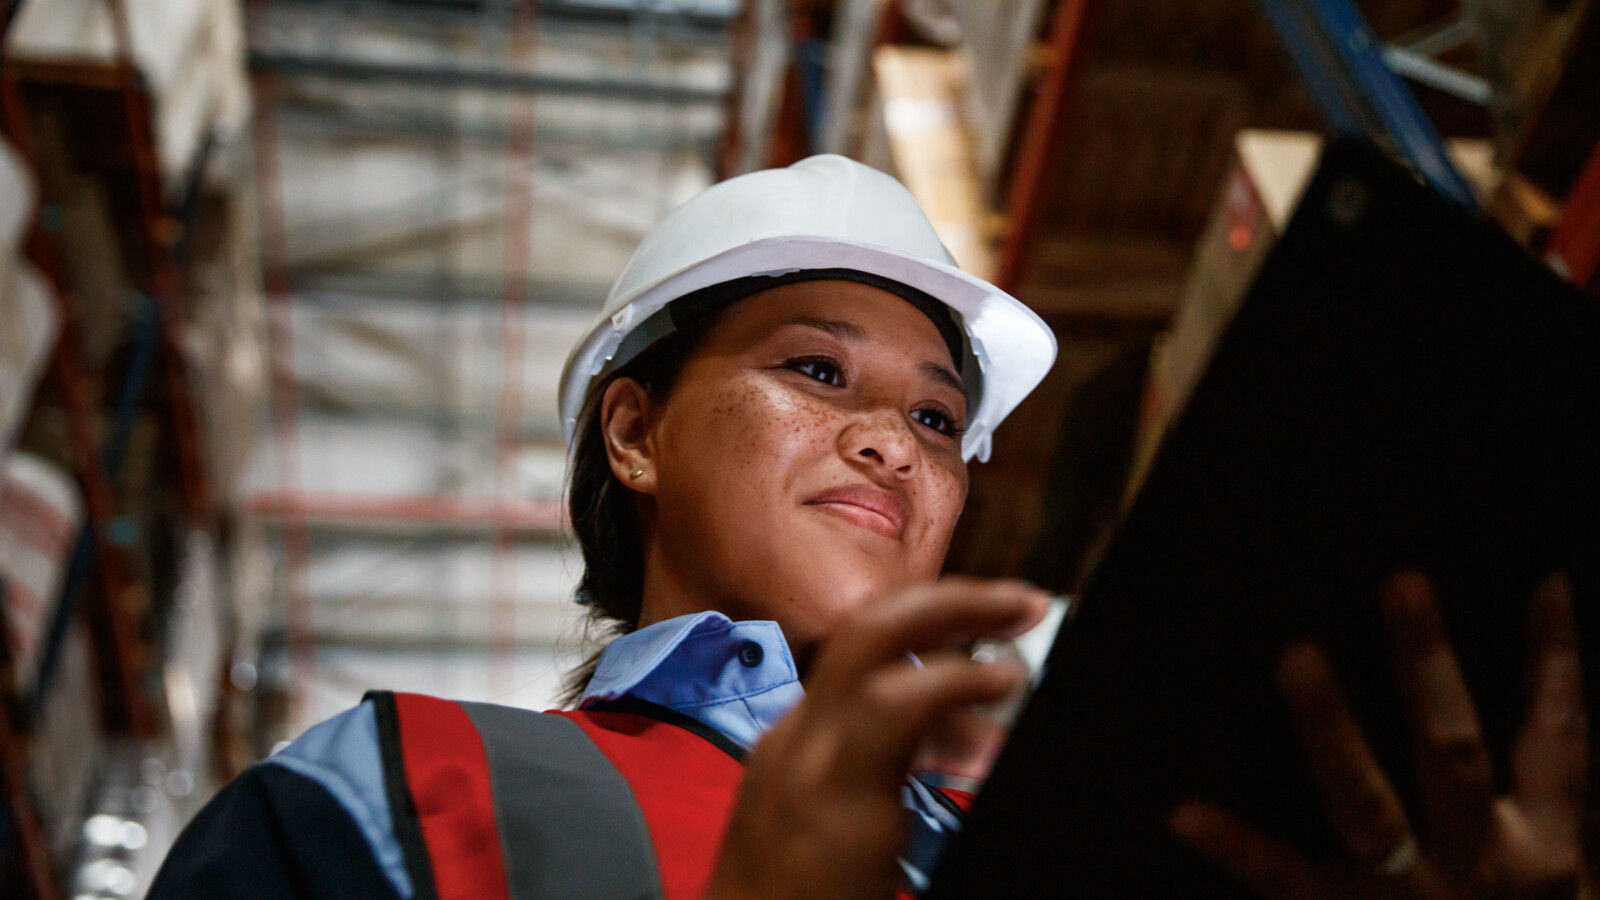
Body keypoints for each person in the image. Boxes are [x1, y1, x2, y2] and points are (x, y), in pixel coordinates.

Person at [147, 155, 1587, 900]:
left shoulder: (1107, 837)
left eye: (941, 420)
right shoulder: (404, 788)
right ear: (634, 431)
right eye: (815, 370)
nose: (892, 438)